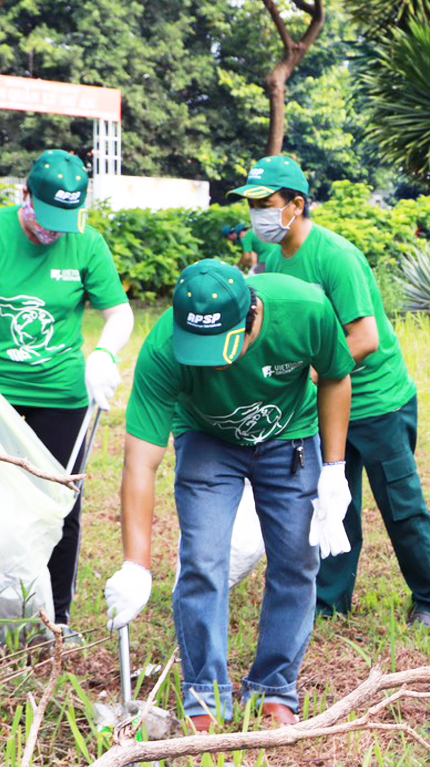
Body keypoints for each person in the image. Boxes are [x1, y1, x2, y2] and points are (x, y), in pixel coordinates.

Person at [103, 260, 354, 730]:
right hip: (207, 440)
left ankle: (275, 685)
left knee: (297, 560)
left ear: (252, 316)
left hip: (290, 439)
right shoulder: (163, 349)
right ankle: (205, 694)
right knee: (203, 560)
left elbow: (337, 376)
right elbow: (140, 461)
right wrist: (135, 566)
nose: (210, 361)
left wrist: (335, 469)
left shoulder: (304, 309)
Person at [231, 155, 430, 625]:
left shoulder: (336, 258)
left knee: (401, 505)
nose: (257, 215)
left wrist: (310, 375)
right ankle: (329, 601)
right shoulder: (271, 258)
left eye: (265, 203)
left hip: (377, 403)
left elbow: (366, 338)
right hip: (323, 406)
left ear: (297, 204)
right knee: (331, 502)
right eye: (251, 205)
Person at [0, 150, 134, 626]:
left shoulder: (87, 243)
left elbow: (120, 313)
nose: (52, 230)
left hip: (62, 395)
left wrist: (104, 355)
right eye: (46, 216)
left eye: (64, 219)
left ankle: (55, 618)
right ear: (24, 195)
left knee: (59, 504)